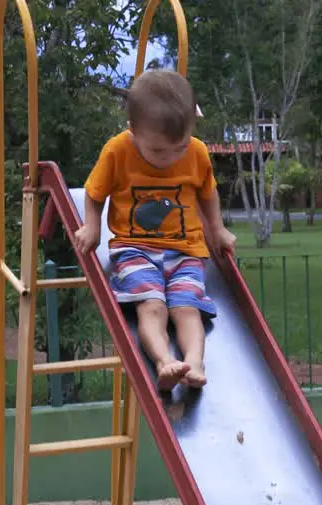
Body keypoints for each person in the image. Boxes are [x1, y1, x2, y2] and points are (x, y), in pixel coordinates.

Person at [73, 70, 237, 391]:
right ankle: (165, 362)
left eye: (181, 146)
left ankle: (195, 364)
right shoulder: (117, 151)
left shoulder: (197, 153)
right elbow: (94, 193)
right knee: (153, 306)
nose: (172, 157)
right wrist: (92, 226)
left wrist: (216, 230)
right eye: (160, 151)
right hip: (134, 248)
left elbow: (207, 193)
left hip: (187, 250)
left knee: (187, 309)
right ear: (133, 130)